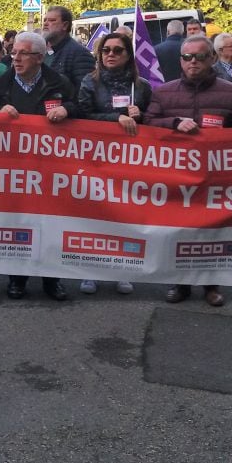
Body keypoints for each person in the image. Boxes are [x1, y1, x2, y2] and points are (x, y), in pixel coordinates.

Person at [144, 34, 232, 308]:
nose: (193, 62)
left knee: (212, 230)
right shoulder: (164, 91)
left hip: (216, 176)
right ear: (180, 60)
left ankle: (211, 285)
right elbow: (149, 122)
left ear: (212, 58)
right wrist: (174, 122)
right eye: (187, 57)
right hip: (176, 175)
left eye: (200, 57)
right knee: (176, 229)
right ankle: (178, 282)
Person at [0, 31, 78, 301]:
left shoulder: (58, 82)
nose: (15, 58)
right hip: (16, 169)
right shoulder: (2, 83)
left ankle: (53, 280)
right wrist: (0, 110)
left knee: (51, 223)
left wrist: (67, 110)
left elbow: (78, 104)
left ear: (39, 58)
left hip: (51, 168)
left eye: (22, 53)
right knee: (18, 223)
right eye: (14, 52)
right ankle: (17, 279)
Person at [74, 31, 152, 297]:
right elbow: (83, 115)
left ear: (128, 55)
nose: (110, 54)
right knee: (95, 216)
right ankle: (90, 271)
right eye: (106, 50)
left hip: (129, 161)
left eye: (117, 50)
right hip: (96, 159)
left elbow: (152, 120)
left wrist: (140, 115)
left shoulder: (141, 86)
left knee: (123, 216)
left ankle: (122, 270)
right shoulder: (90, 82)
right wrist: (115, 119)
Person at [41, 6, 95, 89]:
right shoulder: (43, 52)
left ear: (65, 25)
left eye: (52, 20)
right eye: (45, 20)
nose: (45, 23)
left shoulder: (80, 54)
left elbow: (83, 92)